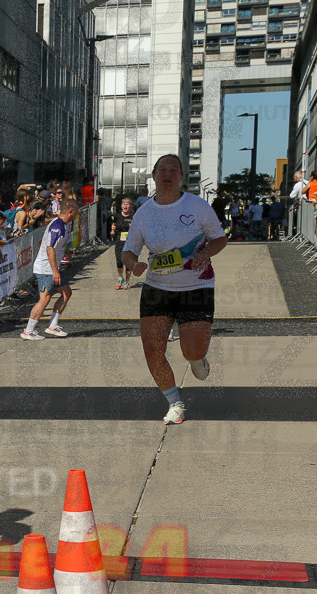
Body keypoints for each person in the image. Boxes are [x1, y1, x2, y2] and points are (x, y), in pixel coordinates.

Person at [122, 154, 228, 425]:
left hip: (196, 286)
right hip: (157, 287)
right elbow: (129, 250)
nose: (167, 174)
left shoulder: (197, 206)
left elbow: (219, 238)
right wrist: (134, 265)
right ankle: (174, 402)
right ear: (154, 175)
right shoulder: (144, 212)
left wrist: (205, 251)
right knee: (153, 349)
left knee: (191, 351)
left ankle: (197, 360)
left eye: (173, 170)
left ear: (181, 176)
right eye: (162, 170)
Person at [20, 199, 79, 340]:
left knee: (66, 293)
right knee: (44, 299)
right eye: (75, 213)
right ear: (70, 211)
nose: (76, 216)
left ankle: (53, 325)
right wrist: (55, 271)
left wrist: (65, 253)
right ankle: (28, 330)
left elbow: (55, 248)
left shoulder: (63, 225)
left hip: (52, 267)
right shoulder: (58, 226)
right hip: (46, 268)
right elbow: (50, 248)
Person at [110, 197, 135, 290]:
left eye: (127, 204)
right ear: (121, 206)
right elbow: (114, 224)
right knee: (119, 262)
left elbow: (138, 228)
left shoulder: (133, 216)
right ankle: (120, 278)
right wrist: (113, 230)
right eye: (123, 204)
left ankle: (127, 281)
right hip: (119, 241)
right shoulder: (117, 216)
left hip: (130, 242)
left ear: (130, 206)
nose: (125, 206)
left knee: (128, 262)